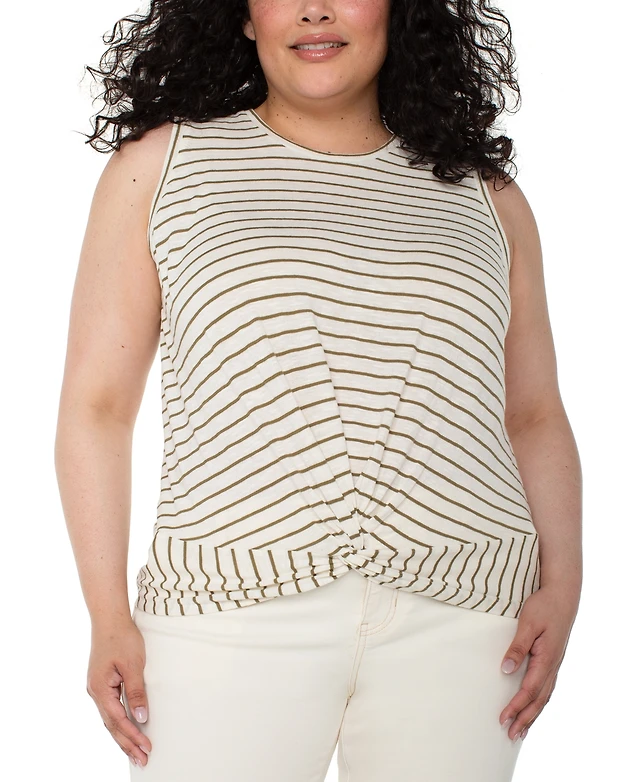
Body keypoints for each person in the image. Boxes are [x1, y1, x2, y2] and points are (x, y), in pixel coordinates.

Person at [54, 1, 583, 780]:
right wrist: (106, 616)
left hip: (469, 617)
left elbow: (534, 414)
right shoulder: (163, 165)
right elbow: (97, 408)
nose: (314, 10)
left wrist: (564, 584)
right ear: (241, 16)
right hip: (225, 607)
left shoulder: (485, 195)